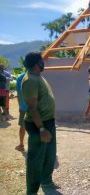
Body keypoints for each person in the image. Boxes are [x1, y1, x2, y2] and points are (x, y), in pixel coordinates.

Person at [22, 52, 58, 194]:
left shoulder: (38, 76)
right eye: (42, 61)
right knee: (36, 160)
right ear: (37, 63)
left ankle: (46, 181)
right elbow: (32, 107)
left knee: (49, 155)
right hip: (39, 125)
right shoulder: (30, 80)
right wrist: (41, 128)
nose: (44, 63)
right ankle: (31, 191)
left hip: (48, 122)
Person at [15, 71, 28, 152]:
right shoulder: (36, 75)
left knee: (23, 126)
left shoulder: (20, 77)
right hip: (35, 107)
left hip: (23, 107)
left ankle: (21, 144)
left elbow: (19, 93)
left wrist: (20, 106)